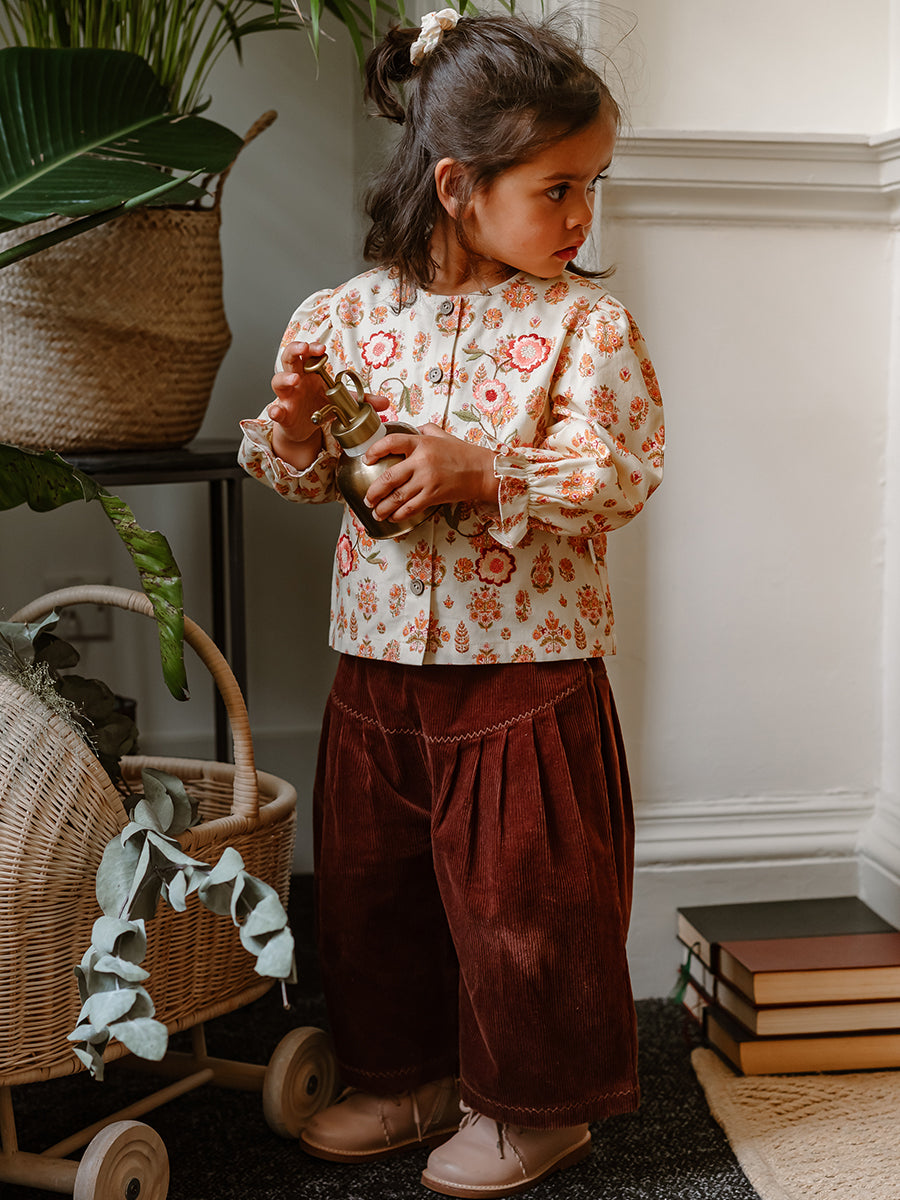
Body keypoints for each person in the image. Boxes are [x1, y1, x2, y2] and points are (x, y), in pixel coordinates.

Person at [238, 9, 664, 1197]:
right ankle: (404, 1076)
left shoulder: (585, 327)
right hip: (376, 669)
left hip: (524, 673)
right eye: (559, 189)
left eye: (593, 186)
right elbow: (294, 472)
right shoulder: (345, 316)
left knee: (527, 906)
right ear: (457, 186)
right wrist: (294, 427)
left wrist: (488, 470)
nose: (583, 218)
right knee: (374, 893)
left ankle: (537, 1108)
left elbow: (622, 474)